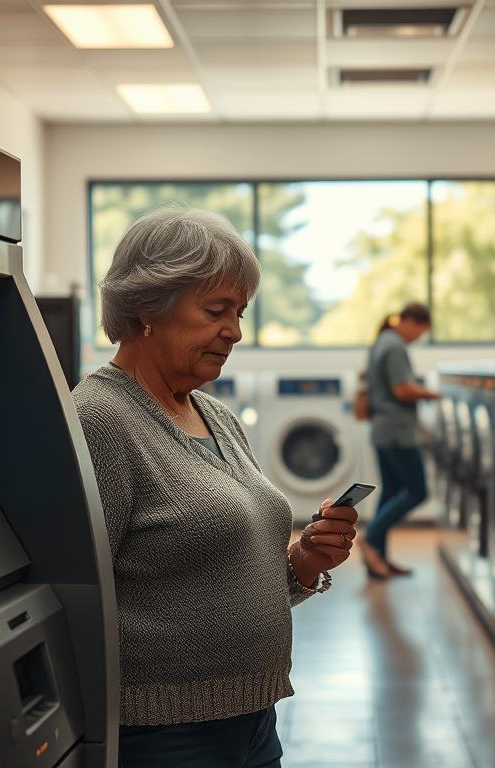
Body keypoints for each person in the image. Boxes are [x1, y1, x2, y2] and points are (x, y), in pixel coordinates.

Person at [72, 207, 359, 767]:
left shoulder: (215, 416)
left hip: (253, 720)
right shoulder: (99, 420)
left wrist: (305, 559)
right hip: (164, 734)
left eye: (240, 312)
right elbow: (77, 596)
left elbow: (222, 574)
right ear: (148, 307)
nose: (235, 331)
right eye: (215, 310)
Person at [361, 302, 441, 579]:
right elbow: (403, 390)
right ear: (411, 322)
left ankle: (379, 558)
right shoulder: (395, 346)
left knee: (392, 491)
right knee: (418, 491)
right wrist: (433, 394)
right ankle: (370, 537)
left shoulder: (382, 341)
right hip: (398, 432)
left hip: (383, 430)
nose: (418, 338)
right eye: (421, 331)